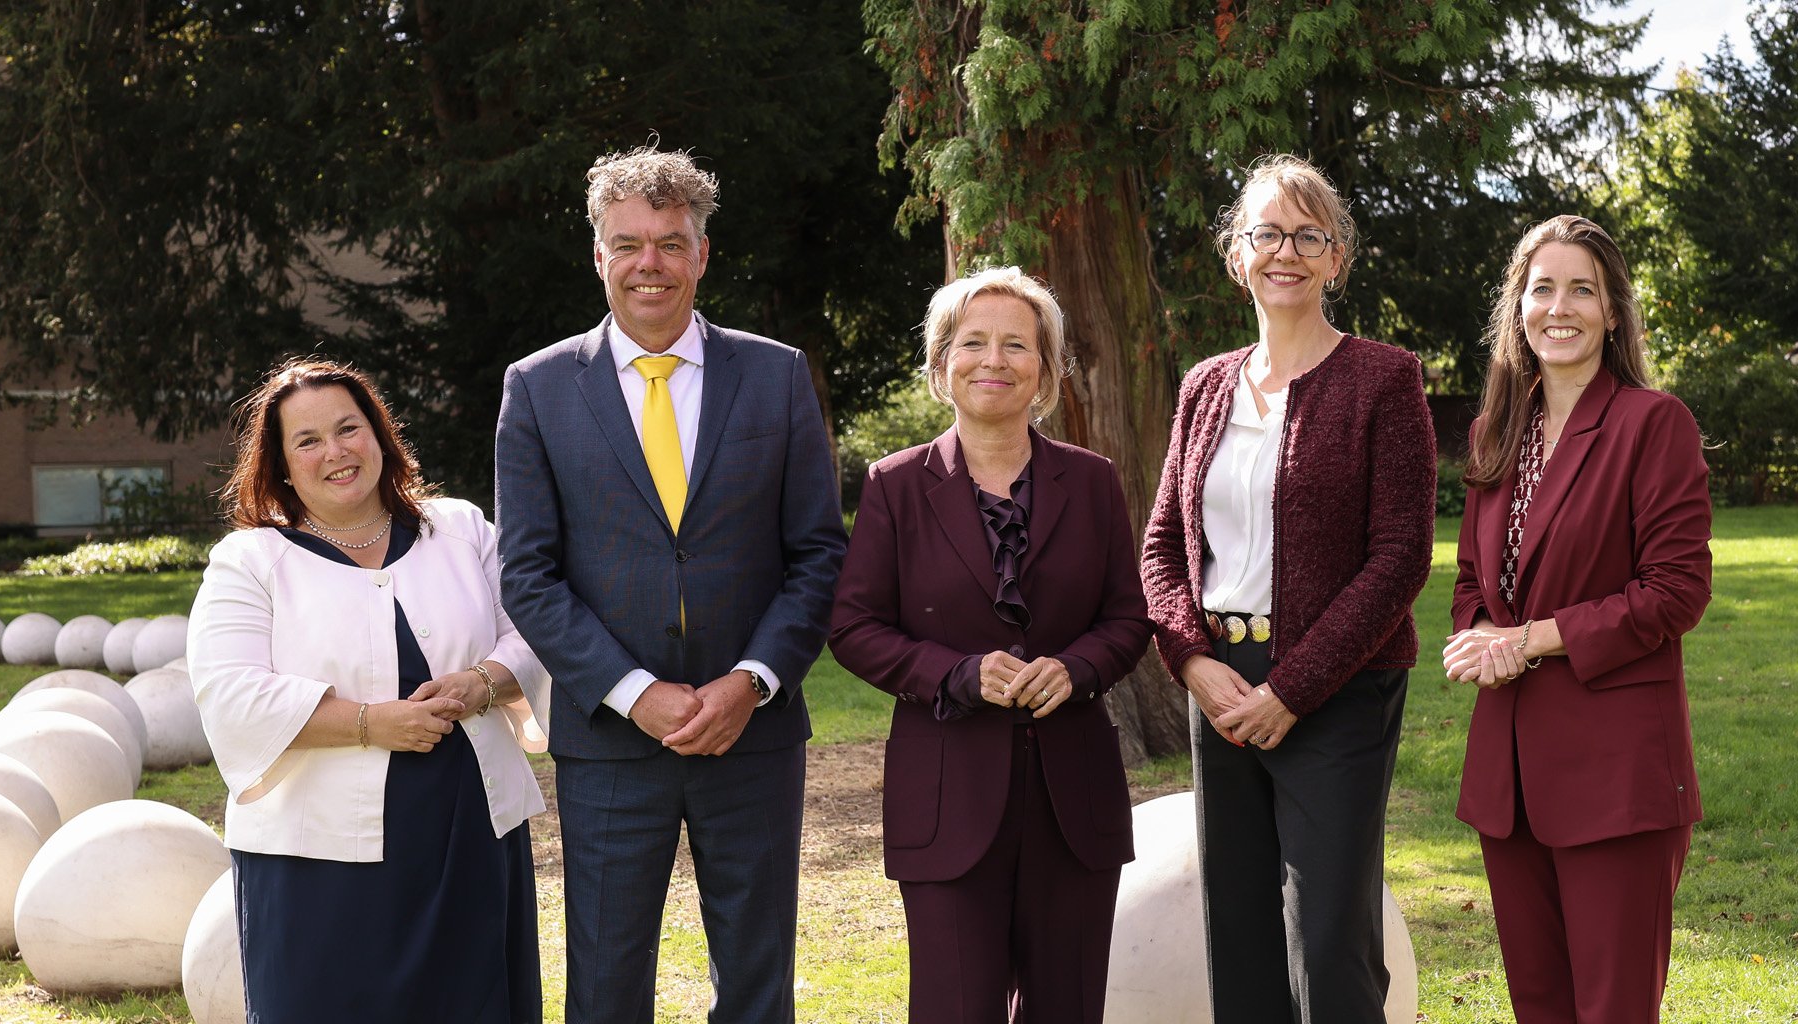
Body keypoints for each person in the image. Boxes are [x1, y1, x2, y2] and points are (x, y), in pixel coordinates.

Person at [493, 146, 848, 1024]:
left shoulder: (775, 374)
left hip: (752, 738)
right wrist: (633, 692)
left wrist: (751, 682)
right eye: (628, 244)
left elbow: (818, 554)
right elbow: (527, 575)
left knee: (758, 981)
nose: (649, 262)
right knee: (606, 984)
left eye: (670, 242)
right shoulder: (537, 389)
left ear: (701, 253)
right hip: (610, 744)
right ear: (599, 256)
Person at [1139, 154, 1436, 1022]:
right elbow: (1162, 547)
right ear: (1238, 253)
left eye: (1311, 235)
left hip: (1338, 688)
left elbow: (1399, 559)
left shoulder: (1385, 379)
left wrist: (1293, 688)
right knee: (1237, 929)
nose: (1287, 252)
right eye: (1267, 233)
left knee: (1328, 939)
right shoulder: (1204, 387)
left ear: (1337, 258)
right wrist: (1191, 662)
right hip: (1220, 683)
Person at [829, 267, 1154, 1023]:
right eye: (973, 343)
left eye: (1018, 345)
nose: (994, 361)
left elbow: (1128, 619)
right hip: (945, 798)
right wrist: (958, 673)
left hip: (1074, 801)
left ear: (1047, 369)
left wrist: (1077, 670)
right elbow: (853, 627)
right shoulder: (894, 485)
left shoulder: (1094, 481)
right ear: (941, 365)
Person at [187, 358, 552, 1023]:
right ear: (281, 464)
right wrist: (369, 724)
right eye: (308, 440)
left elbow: (535, 634)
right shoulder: (250, 561)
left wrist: (480, 684)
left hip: (466, 832)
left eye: (349, 428)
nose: (336, 452)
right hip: (317, 860)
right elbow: (230, 693)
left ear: (380, 436)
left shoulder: (462, 531)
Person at [1442, 214, 1712, 1024]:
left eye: (1582, 290)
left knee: (1612, 1009)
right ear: (1518, 307)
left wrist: (1529, 640)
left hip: (1614, 774)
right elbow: (1470, 584)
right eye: (1543, 288)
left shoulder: (1652, 422)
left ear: (1614, 312)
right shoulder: (1496, 433)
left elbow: (1675, 591)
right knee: (1540, 1008)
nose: (1560, 307)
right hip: (1509, 776)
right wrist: (1484, 640)